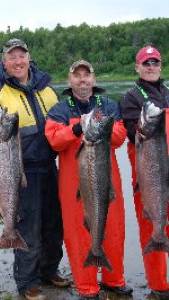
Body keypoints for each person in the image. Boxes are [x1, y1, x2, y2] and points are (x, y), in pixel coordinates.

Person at [0, 38, 69, 300]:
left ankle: (49, 270)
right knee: (27, 226)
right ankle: (27, 282)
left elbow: (61, 126)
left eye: (21, 56)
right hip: (17, 172)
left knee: (54, 225)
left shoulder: (47, 90)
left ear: (29, 58)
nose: (18, 61)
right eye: (11, 57)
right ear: (4, 62)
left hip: (50, 167)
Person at [45, 60, 133, 299]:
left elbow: (119, 136)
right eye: (77, 75)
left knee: (113, 229)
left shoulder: (108, 104)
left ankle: (114, 279)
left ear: (94, 80)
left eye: (87, 75)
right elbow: (53, 140)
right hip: (73, 183)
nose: (82, 80)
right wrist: (76, 130)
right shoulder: (60, 109)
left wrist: (97, 129)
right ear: (69, 80)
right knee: (78, 233)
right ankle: (87, 286)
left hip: (106, 180)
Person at [120, 46, 169, 300]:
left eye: (155, 62)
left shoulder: (167, 93)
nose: (151, 67)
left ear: (160, 67)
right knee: (152, 226)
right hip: (148, 175)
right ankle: (159, 287)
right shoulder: (131, 97)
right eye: (145, 63)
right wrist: (144, 125)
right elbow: (131, 133)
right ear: (137, 67)